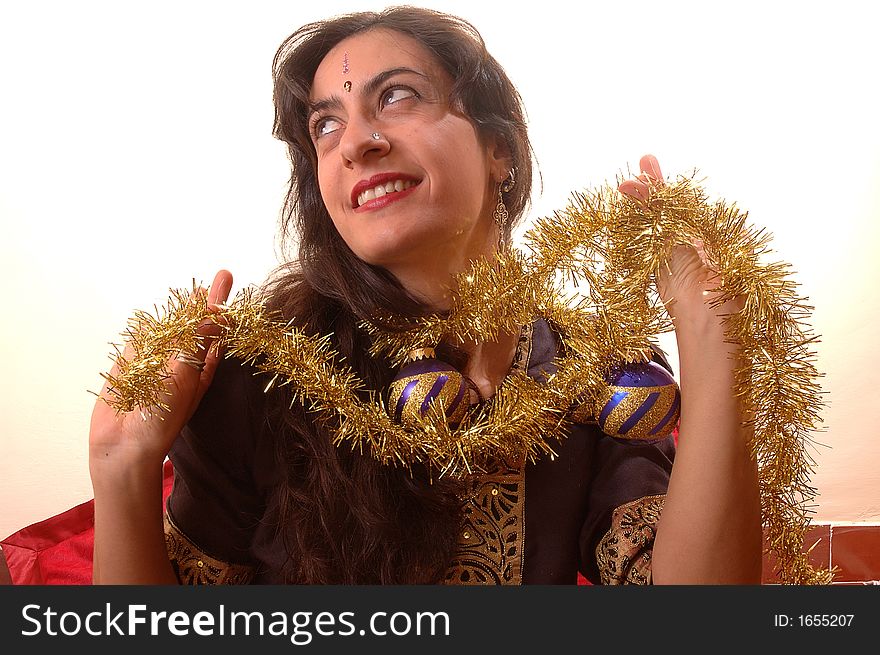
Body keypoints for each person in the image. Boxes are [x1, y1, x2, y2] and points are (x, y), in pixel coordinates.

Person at [88, 6, 762, 585]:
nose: (356, 141)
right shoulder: (260, 377)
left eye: (398, 96)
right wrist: (122, 472)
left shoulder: (600, 374)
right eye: (326, 124)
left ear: (499, 147)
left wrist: (713, 339)